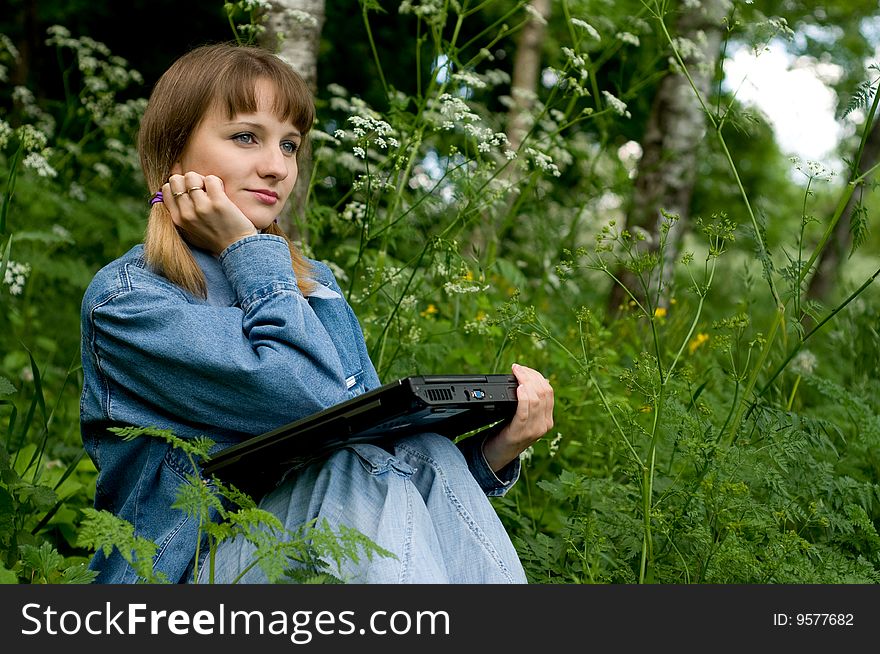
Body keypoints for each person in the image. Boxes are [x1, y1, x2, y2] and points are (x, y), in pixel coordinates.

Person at [79, 42, 554, 584]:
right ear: (173, 155)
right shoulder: (131, 301)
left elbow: (383, 462)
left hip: (311, 552)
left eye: (290, 145)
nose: (276, 167)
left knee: (424, 450)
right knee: (357, 470)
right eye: (245, 137)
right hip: (176, 578)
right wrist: (246, 247)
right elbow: (305, 396)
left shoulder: (314, 286)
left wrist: (496, 450)